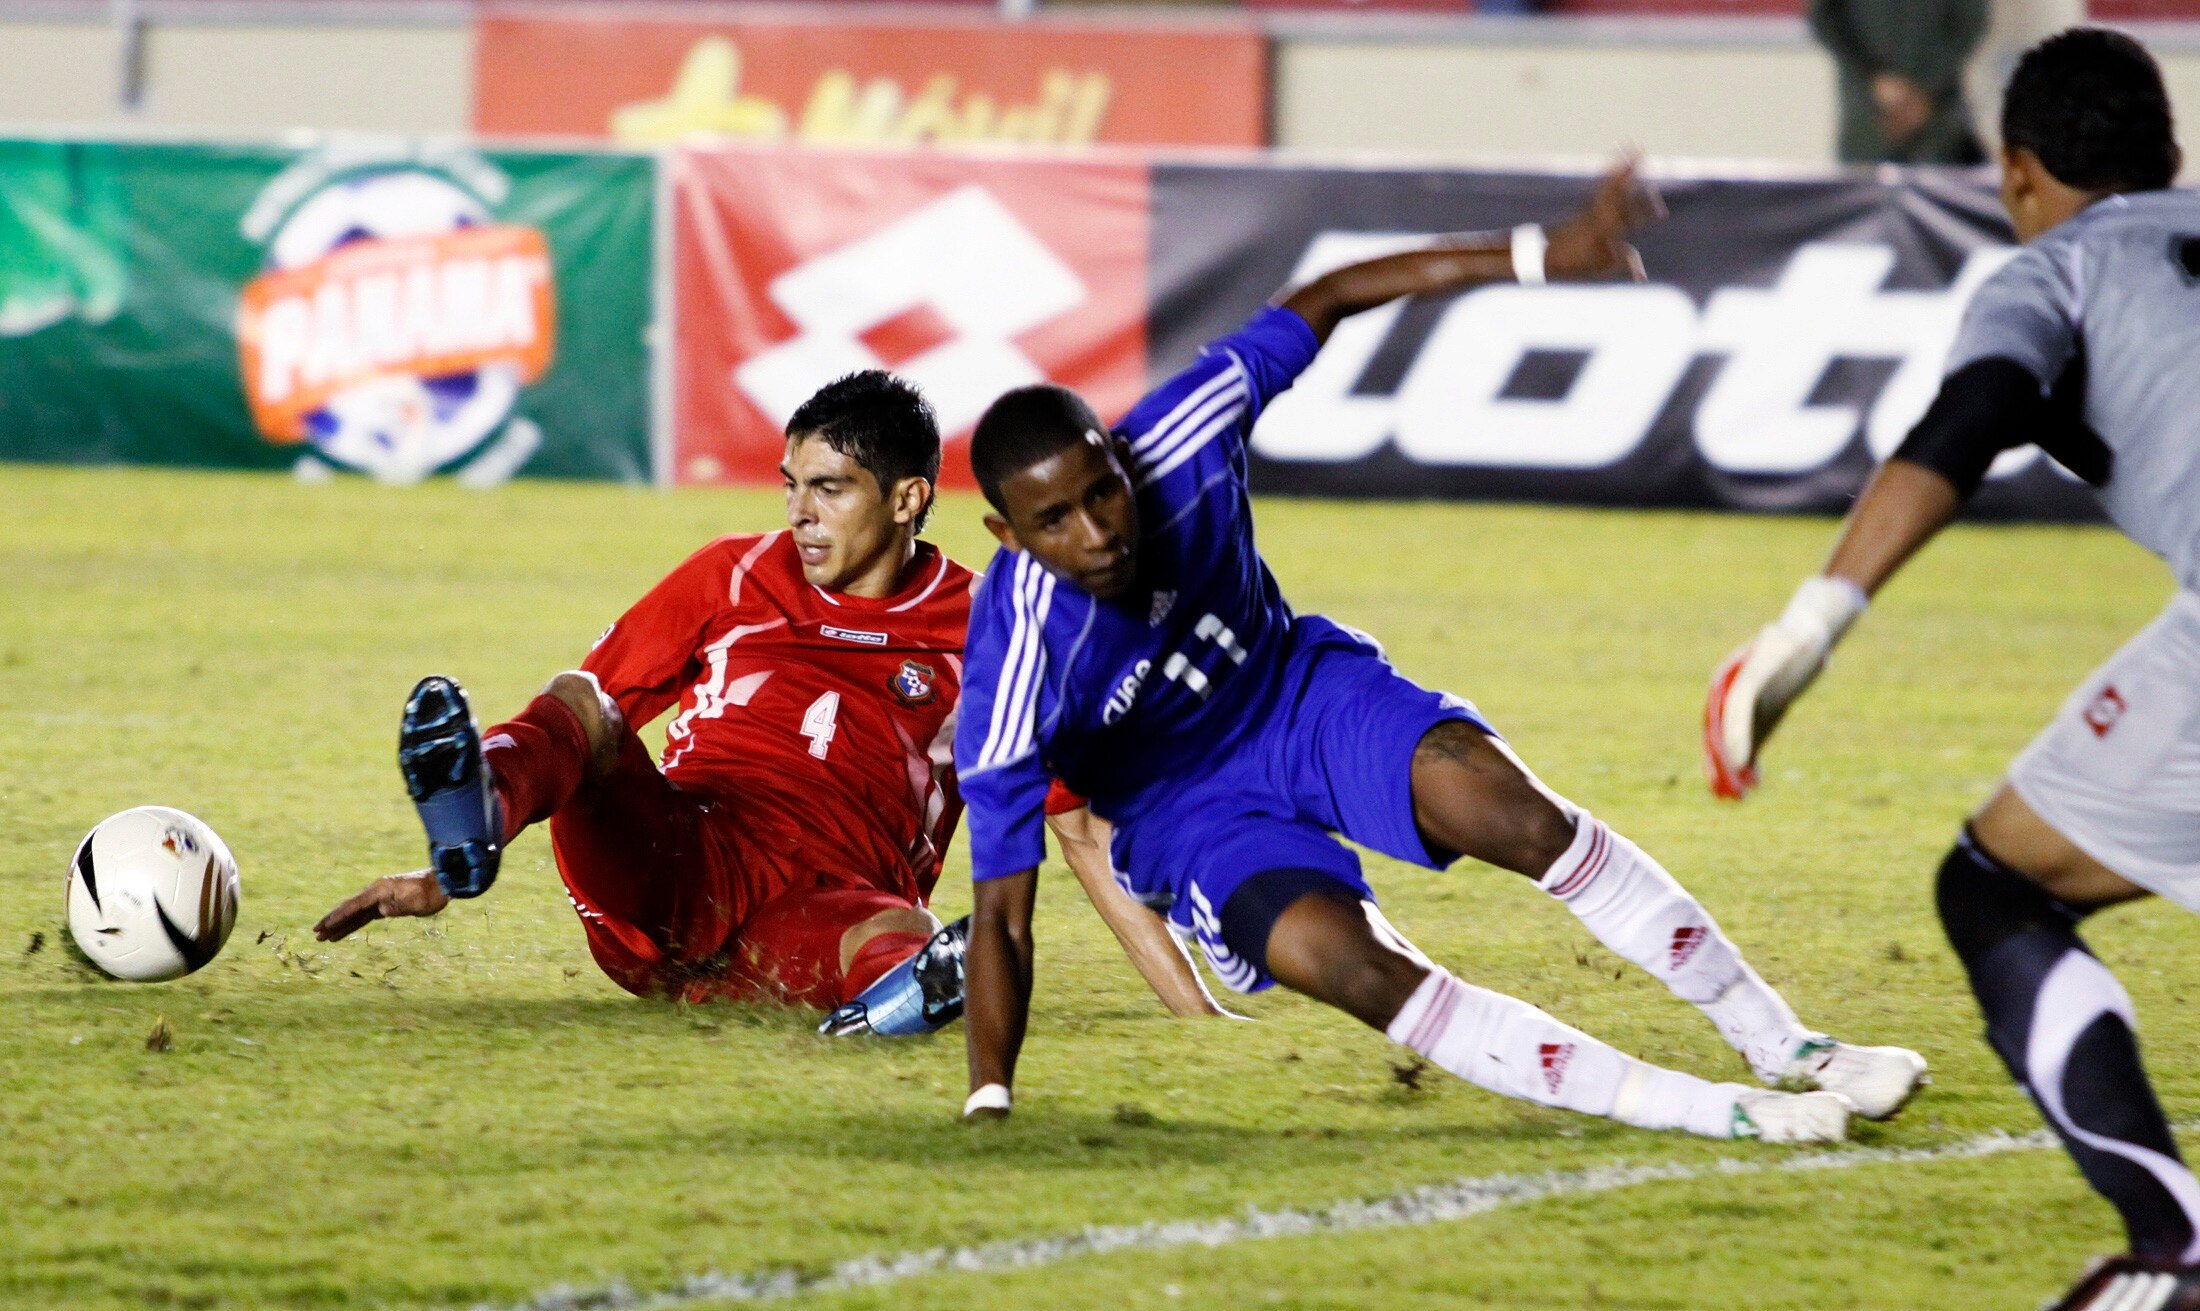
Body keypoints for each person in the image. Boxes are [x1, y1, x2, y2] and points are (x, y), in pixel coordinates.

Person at [951, 161, 1927, 1140]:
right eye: (1054, 521)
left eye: (1102, 491)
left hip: (1297, 696)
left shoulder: (1184, 430)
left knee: (1516, 814)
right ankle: (1726, 1115)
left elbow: (1328, 296)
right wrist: (988, 1096)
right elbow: (1001, 909)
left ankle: (1789, 1046)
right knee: (1357, 971)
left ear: (1118, 457)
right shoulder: (1013, 659)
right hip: (1187, 815)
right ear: (1008, 535)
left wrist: (1543, 254)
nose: (1096, 532)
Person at [1704, 30, 2200, 1310]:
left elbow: (1966, 422)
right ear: (2174, 156)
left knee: (1998, 889)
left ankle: (2174, 1253)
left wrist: (1812, 624)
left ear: (2016, 172)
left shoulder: (2058, 270)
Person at [313, 371, 1214, 1035]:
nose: (801, 513)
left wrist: (1195, 1012)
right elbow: (580, 724)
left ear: (909, 498)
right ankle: (475, 802)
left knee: (907, 931)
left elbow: (1081, 829)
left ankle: (887, 1007)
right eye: (791, 485)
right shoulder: (734, 571)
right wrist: (453, 858)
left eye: (829, 487)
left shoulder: (989, 629)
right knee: (585, 702)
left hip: (824, 907)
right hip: (679, 863)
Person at [1810, 0, 1989, 166]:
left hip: (1936, 117)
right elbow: (1824, 17)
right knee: (1865, 191)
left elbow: (1971, 20)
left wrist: (1924, 85)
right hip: (1869, 117)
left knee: (1942, 189)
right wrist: (1871, 79)